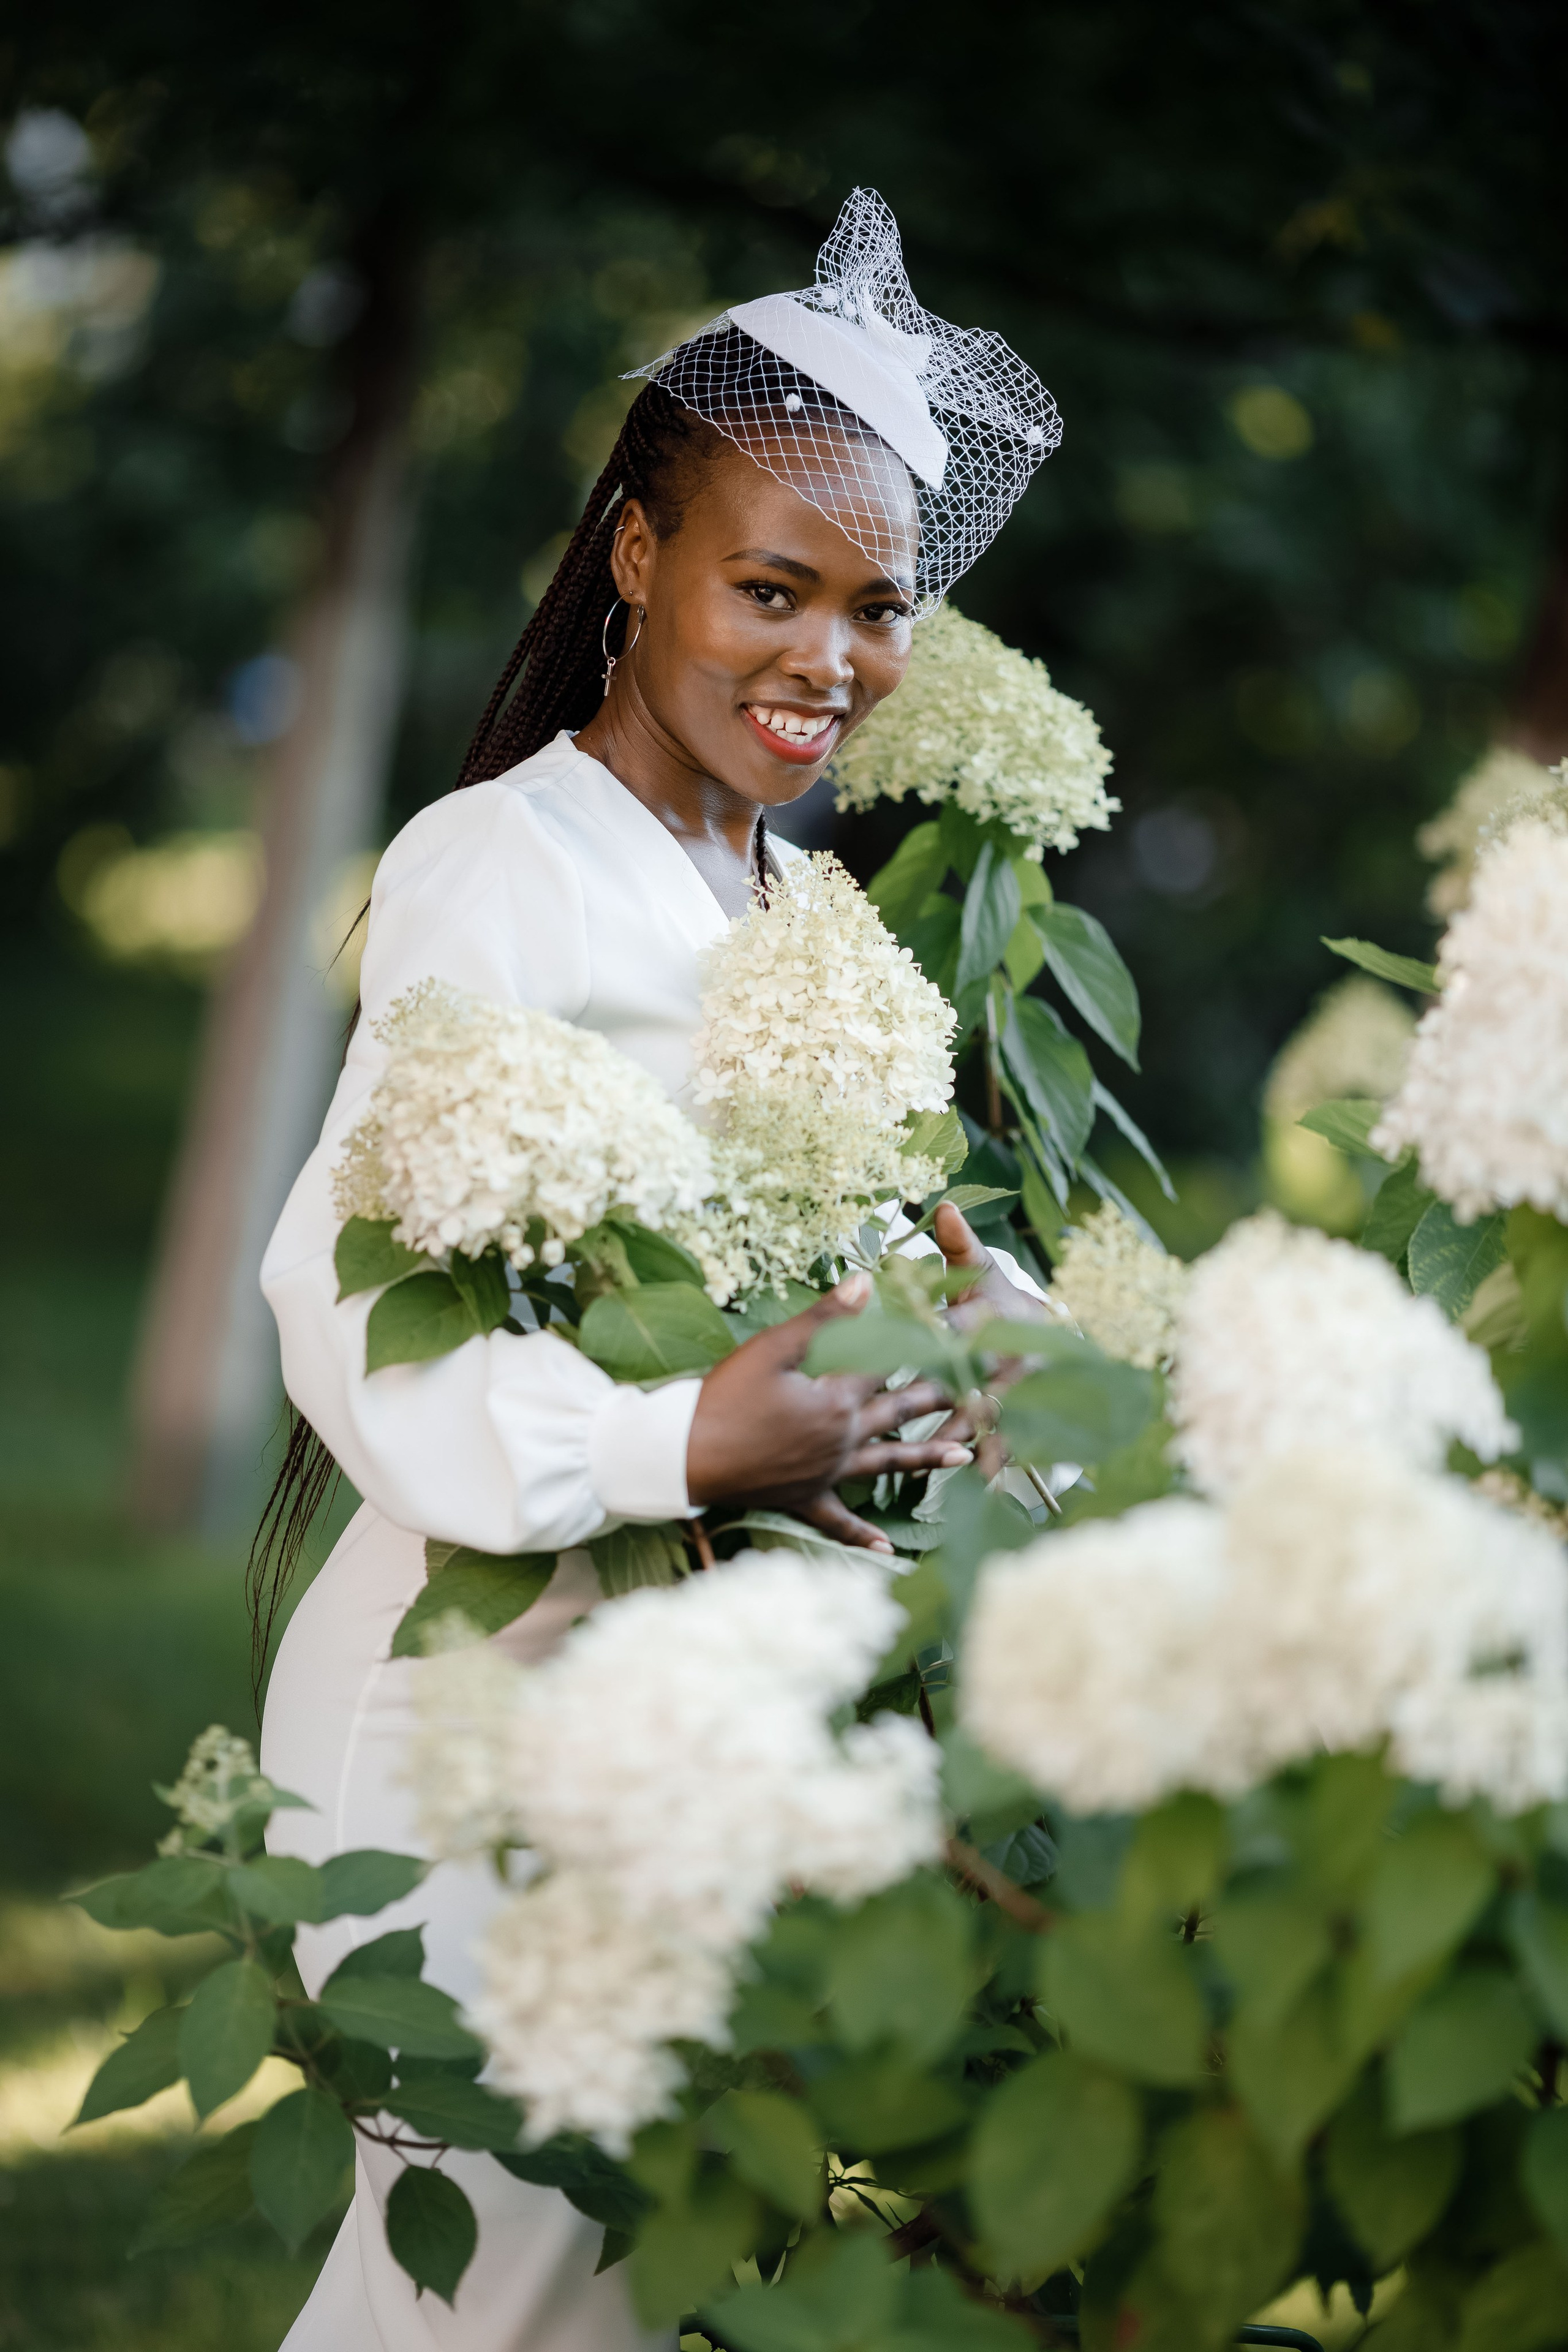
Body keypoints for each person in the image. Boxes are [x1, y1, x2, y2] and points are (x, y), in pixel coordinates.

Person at [256, 188, 1061, 2351]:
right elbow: (340, 1283)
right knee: (479, 2300)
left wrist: (1073, 1396)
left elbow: (911, 1268)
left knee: (600, 2303)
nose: (831, 657)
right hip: (469, 1700)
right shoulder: (499, 868)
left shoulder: (789, 911)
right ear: (637, 560)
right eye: (772, 587)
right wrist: (674, 1433)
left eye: (877, 607)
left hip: (666, 1718)